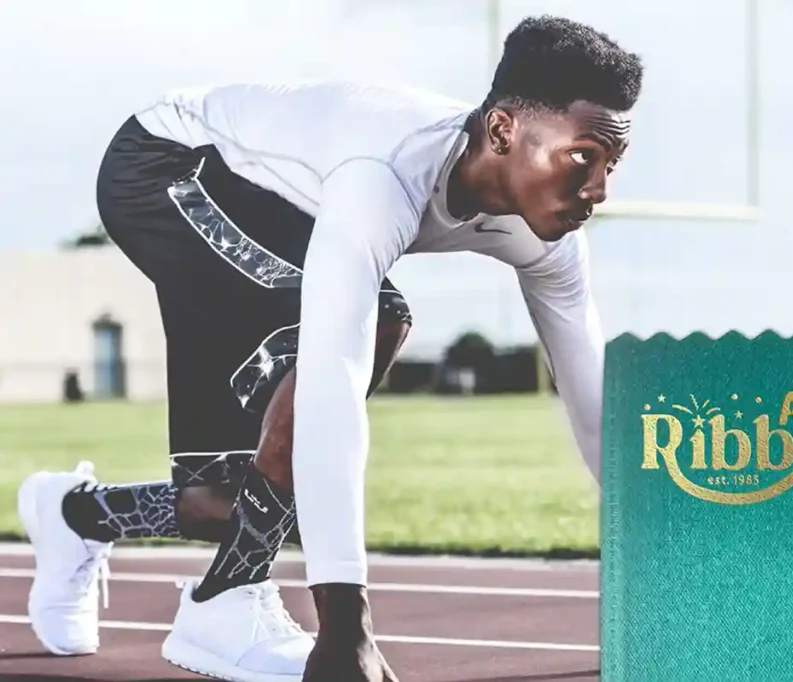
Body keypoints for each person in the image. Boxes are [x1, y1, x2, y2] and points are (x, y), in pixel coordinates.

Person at [17, 14, 643, 682]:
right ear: (501, 131)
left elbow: (594, 401)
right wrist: (345, 629)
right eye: (583, 157)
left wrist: (667, 560)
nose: (600, 190)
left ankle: (74, 514)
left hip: (272, 204)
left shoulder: (550, 241)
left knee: (229, 501)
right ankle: (225, 602)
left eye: (612, 164)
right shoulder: (382, 176)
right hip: (166, 169)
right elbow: (332, 383)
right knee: (376, 322)